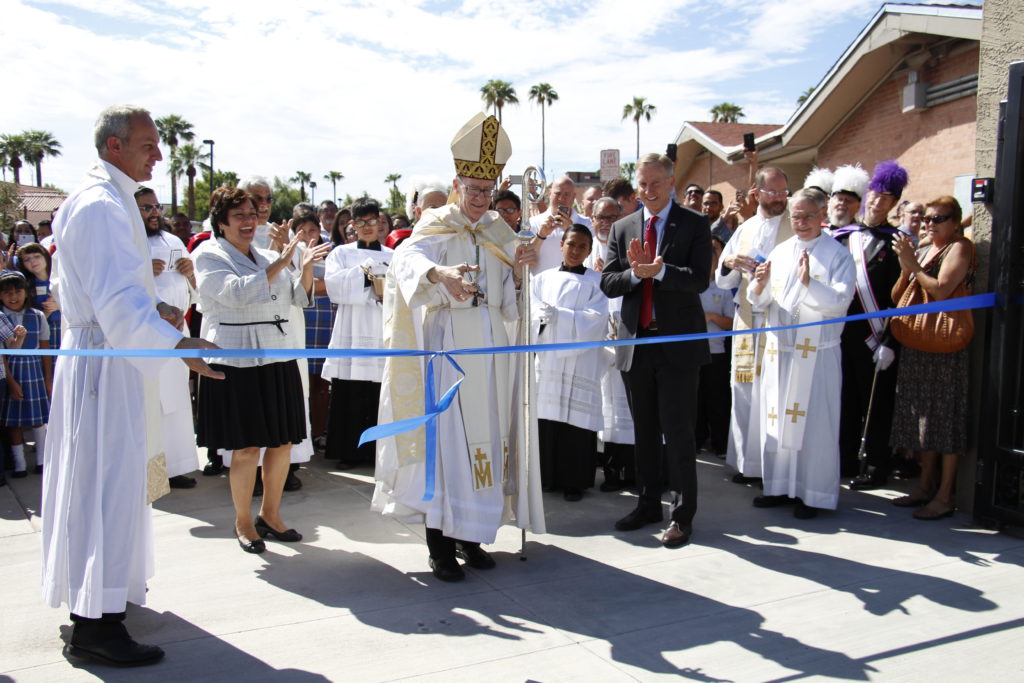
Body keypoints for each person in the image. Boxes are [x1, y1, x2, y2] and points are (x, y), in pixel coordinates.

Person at [42, 104, 221, 667]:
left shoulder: (110, 200)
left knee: (115, 484)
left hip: (115, 356)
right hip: (105, 364)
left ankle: (103, 602)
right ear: (114, 146)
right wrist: (180, 347)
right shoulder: (100, 205)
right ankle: (95, 624)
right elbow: (115, 302)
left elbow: (121, 294)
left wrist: (160, 315)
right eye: (148, 144)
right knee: (105, 485)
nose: (160, 155)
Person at [373, 113, 542, 583]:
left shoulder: (498, 231)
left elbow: (514, 304)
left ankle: (472, 535)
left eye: (487, 190)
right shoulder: (435, 224)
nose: (481, 199)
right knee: (447, 446)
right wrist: (439, 275)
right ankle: (440, 545)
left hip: (489, 352)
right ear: (456, 184)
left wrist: (521, 269)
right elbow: (406, 260)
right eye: (473, 188)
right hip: (447, 348)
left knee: (485, 441)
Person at [194, 186, 330, 555]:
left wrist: (303, 268)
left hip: (277, 357)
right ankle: (242, 520)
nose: (248, 222)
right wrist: (283, 262)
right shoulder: (208, 254)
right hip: (236, 362)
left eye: (252, 215)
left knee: (282, 442)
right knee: (245, 448)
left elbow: (297, 300)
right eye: (239, 216)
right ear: (221, 222)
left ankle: (271, 515)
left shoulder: (270, 254)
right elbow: (236, 293)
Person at [600, 152, 712, 549]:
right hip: (637, 345)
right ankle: (647, 503)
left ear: (671, 183)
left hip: (677, 347)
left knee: (678, 434)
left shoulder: (695, 224)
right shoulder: (624, 226)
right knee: (644, 431)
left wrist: (660, 272)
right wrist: (635, 274)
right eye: (642, 184)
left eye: (655, 184)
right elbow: (609, 282)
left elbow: (700, 280)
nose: (647, 191)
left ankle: (682, 516)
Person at [749, 188, 855, 518]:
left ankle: (813, 495)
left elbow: (839, 303)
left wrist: (810, 282)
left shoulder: (837, 255)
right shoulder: (780, 252)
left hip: (817, 353)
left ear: (822, 216)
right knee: (778, 420)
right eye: (796, 216)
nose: (801, 222)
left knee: (815, 426)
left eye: (808, 215)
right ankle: (780, 486)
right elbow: (760, 301)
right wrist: (759, 284)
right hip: (781, 352)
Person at [889, 196, 974, 520]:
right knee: (923, 420)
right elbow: (899, 297)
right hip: (919, 347)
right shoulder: (923, 249)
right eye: (927, 218)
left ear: (955, 222)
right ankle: (925, 486)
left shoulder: (960, 248)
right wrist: (906, 268)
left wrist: (913, 265)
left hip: (946, 347)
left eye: (939, 218)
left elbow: (941, 290)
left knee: (946, 420)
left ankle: (945, 494)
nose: (930, 224)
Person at [715, 166, 793, 485]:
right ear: (757, 194)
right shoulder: (744, 228)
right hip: (747, 320)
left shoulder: (796, 226)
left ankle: (775, 466)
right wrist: (729, 262)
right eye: (772, 193)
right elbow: (724, 281)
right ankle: (748, 465)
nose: (779, 199)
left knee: (776, 393)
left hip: (780, 320)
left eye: (783, 192)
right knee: (745, 389)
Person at [833, 160, 908, 486]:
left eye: (886, 198)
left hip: (876, 338)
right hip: (842, 334)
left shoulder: (897, 243)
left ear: (893, 204)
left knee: (876, 404)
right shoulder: (843, 236)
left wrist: (890, 342)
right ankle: (845, 460)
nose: (878, 202)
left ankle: (876, 466)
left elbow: (901, 298)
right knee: (845, 401)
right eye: (875, 195)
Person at [532, 224, 607, 501]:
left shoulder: (598, 282)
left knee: (577, 421)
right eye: (571, 244)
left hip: (581, 361)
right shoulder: (541, 279)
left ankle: (575, 480)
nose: (575, 251)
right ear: (561, 244)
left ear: (589, 250)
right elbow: (531, 313)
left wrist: (559, 317)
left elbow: (596, 320)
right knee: (547, 417)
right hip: (549, 360)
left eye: (582, 246)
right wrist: (542, 318)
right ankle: (547, 476)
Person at [136, 186, 200, 490]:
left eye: (155, 207)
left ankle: (175, 467)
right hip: (146, 334)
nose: (153, 213)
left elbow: (194, 289)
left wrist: (190, 272)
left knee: (176, 401)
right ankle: (151, 474)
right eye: (145, 208)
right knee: (150, 403)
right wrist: (143, 271)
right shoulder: (127, 243)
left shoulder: (174, 241)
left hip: (178, 332)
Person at [322, 197, 392, 469]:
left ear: (379, 222)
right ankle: (347, 450)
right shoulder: (341, 253)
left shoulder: (392, 255)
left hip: (379, 325)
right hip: (351, 327)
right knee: (349, 389)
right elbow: (334, 287)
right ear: (352, 224)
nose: (366, 227)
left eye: (371, 221)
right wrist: (364, 276)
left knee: (377, 390)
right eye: (360, 222)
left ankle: (376, 452)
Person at [0, 271, 51, 478]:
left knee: (39, 418)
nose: (13, 297)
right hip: (10, 371)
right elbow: (3, 355)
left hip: (34, 371)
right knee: (15, 421)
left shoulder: (37, 316)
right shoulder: (2, 318)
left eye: (18, 291)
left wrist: (48, 379)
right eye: (7, 293)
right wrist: (11, 382)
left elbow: (45, 349)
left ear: (26, 292)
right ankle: (20, 465)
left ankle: (41, 461)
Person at [291, 213, 335, 452]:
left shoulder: (331, 253)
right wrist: (319, 285)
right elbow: (295, 287)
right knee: (301, 381)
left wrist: (315, 285)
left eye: (312, 231)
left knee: (321, 382)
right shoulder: (289, 253)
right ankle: (302, 432)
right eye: (302, 230)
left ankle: (318, 432)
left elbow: (333, 285)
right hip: (301, 319)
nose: (307, 236)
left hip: (326, 318)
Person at [695, 236, 734, 458]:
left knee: (717, 400)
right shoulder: (691, 287)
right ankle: (696, 440)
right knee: (695, 400)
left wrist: (711, 317)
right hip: (692, 352)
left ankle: (720, 444)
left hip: (716, 352)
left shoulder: (723, 289)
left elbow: (733, 323)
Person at [529, 175, 591, 272]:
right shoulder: (534, 222)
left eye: (566, 194)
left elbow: (590, 257)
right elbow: (527, 259)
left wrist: (572, 230)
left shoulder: (586, 223)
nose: (561, 199)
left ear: (573, 196)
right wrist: (540, 236)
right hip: (542, 284)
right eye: (557, 194)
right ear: (550, 194)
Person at [17, 243, 61, 350]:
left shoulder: (61, 279)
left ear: (46, 256)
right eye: (27, 259)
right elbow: (26, 319)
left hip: (64, 327)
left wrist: (59, 305)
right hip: (42, 332)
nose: (32, 261)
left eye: (37, 256)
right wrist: (47, 312)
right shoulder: (26, 287)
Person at [826, 164, 869, 234]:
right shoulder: (819, 231)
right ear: (830, 202)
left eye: (849, 201)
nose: (843, 203)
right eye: (839, 199)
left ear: (858, 207)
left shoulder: (862, 235)